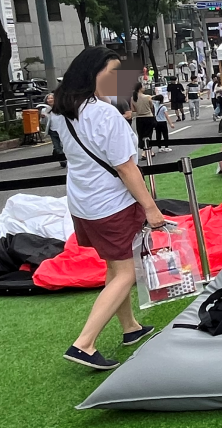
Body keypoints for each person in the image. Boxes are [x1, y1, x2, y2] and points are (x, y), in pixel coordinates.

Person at [52, 47, 166, 370]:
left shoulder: (62, 113)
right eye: (113, 71)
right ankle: (84, 343)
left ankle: (130, 327)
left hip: (83, 204)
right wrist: (151, 208)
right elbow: (127, 169)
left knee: (115, 268)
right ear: (93, 72)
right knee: (126, 274)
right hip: (110, 205)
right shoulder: (104, 114)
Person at [40, 92, 66, 167]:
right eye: (48, 98)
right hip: (52, 130)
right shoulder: (44, 110)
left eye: (52, 98)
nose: (50, 100)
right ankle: (62, 160)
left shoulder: (61, 107)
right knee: (57, 146)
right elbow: (43, 122)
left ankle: (62, 155)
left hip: (62, 129)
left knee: (63, 145)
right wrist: (43, 117)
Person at [130, 83, 155, 152]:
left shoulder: (133, 98)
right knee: (148, 134)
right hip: (148, 117)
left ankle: (144, 150)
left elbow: (133, 110)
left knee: (141, 135)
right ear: (140, 88)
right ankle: (149, 150)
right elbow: (152, 107)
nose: (144, 88)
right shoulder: (148, 97)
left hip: (139, 118)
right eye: (143, 86)